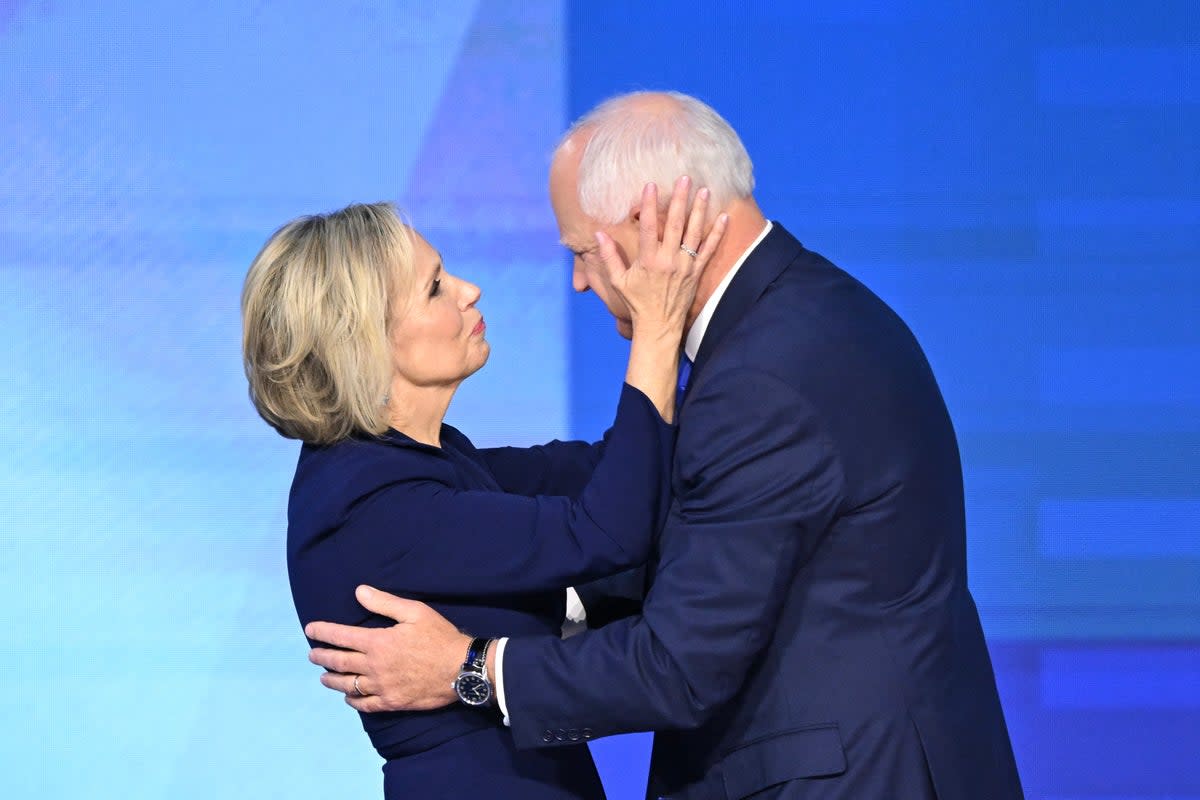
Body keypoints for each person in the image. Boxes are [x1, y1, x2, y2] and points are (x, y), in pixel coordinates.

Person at [305, 91, 1025, 800]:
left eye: (583, 252)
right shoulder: (796, 327)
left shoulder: (767, 373)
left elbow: (679, 662)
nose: (582, 282)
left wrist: (473, 668)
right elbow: (638, 498)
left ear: (650, 224)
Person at [240, 191, 728, 799]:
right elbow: (607, 530)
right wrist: (656, 331)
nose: (469, 290)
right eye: (436, 287)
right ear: (364, 339)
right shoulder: (366, 501)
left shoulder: (426, 460)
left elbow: (614, 468)